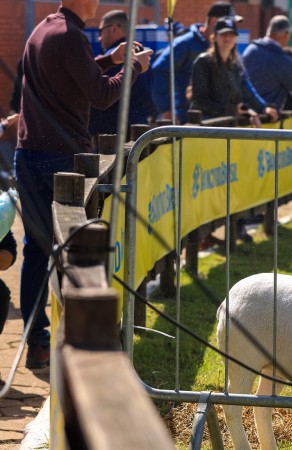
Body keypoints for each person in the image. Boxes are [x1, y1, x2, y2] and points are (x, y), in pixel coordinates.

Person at [15, 0, 151, 372]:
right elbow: (103, 94)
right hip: (61, 159)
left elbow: (71, 73)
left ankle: (39, 343)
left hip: (28, 156)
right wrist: (134, 67)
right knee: (73, 253)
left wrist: (110, 58)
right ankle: (73, 342)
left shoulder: (45, 28)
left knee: (37, 253)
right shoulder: (70, 34)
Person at [150, 1, 243, 124]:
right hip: (184, 118)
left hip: (213, 118)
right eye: (229, 21)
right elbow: (159, 69)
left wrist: (260, 107)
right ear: (214, 21)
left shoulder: (225, 49)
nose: (232, 26)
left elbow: (243, 80)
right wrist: (167, 110)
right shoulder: (185, 44)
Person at [190, 18, 278, 125]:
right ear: (214, 37)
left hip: (229, 127)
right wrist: (232, 110)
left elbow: (246, 90)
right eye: (223, 34)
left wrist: (263, 108)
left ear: (236, 38)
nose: (227, 38)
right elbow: (199, 102)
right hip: (207, 129)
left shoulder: (236, 65)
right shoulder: (203, 62)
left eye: (231, 35)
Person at [89, 10, 157, 139]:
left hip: (112, 135)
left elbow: (98, 97)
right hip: (140, 130)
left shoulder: (113, 57)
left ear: (114, 29)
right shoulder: (141, 55)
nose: (99, 37)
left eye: (100, 31)